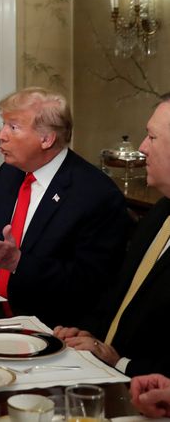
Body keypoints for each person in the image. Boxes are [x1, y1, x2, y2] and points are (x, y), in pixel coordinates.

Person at [0, 87, 130, 326]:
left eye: (13, 127)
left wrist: (19, 263)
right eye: (4, 125)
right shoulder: (9, 174)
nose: (1, 135)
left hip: (47, 326)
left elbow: (90, 283)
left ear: (46, 138)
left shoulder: (95, 194)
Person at [53, 94, 170, 377]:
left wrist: (121, 363)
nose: (142, 148)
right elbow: (121, 292)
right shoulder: (160, 211)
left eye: (152, 138)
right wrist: (88, 333)